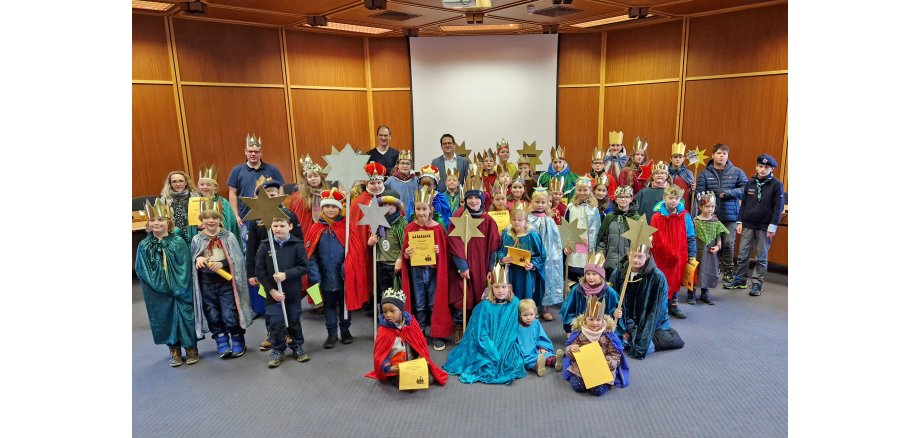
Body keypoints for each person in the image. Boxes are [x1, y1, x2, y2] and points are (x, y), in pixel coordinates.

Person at [135, 199, 200, 367]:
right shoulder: (144, 245)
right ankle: (174, 349)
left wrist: (177, 287)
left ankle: (190, 347)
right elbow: (142, 270)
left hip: (180, 289)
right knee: (164, 318)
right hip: (157, 293)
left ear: (169, 223)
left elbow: (185, 266)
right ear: (148, 224)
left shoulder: (178, 242)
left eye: (161, 220)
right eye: (153, 221)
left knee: (185, 316)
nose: (156, 223)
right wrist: (161, 287)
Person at [442, 263, 526, 385]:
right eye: (497, 287)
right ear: (491, 288)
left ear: (509, 287)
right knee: (488, 363)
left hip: (506, 344)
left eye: (503, 287)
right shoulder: (484, 306)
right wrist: (492, 350)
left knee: (515, 363)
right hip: (487, 346)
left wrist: (503, 349)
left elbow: (511, 330)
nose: (500, 290)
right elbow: (480, 334)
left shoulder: (514, 303)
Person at [189, 202, 252, 358]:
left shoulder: (228, 236)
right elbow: (193, 258)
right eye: (207, 218)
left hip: (225, 283)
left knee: (229, 313)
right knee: (212, 313)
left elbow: (237, 259)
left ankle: (237, 337)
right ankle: (221, 339)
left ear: (220, 219)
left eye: (214, 218)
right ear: (201, 221)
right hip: (206, 283)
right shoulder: (197, 239)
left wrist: (223, 263)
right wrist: (198, 259)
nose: (210, 221)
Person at [245, 178, 302, 351]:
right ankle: (273, 333)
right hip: (266, 267)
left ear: (279, 195)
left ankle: (291, 334)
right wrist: (251, 273)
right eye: (266, 194)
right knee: (271, 302)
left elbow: (298, 239)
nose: (270, 196)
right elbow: (251, 246)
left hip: (287, 264)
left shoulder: (289, 215)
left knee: (291, 304)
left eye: (274, 193)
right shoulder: (256, 219)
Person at [306, 189, 365, 349]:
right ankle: (331, 333)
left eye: (334, 207)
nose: (331, 210)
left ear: (339, 208)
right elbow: (311, 255)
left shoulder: (346, 226)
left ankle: (345, 330)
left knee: (345, 304)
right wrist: (315, 276)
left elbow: (355, 250)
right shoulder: (316, 228)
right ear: (322, 208)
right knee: (329, 306)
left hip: (343, 276)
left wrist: (348, 267)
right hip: (325, 277)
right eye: (328, 206)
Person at [446, 174, 501, 341]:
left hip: (481, 264)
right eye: (469, 198)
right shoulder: (459, 215)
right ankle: (459, 327)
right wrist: (462, 266)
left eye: (476, 198)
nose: (473, 201)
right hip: (463, 264)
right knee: (463, 296)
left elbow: (493, 246)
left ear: (481, 200)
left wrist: (491, 268)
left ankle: (476, 328)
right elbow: (453, 242)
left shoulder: (488, 219)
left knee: (479, 296)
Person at [400, 186, 454, 350]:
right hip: (416, 271)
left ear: (431, 209)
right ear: (414, 209)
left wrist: (438, 252)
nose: (421, 212)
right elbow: (405, 253)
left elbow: (445, 254)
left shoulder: (438, 228)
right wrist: (407, 254)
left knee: (434, 301)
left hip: (433, 272)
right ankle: (421, 329)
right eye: (418, 209)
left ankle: (436, 334)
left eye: (424, 209)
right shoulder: (410, 227)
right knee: (419, 302)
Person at [724, 154, 785, 297]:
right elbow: (743, 204)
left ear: (772, 169)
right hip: (748, 224)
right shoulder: (750, 183)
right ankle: (740, 279)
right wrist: (739, 221)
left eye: (766, 167)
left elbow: (778, 207)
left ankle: (757, 282)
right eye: (760, 166)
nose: (763, 169)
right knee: (743, 254)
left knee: (761, 256)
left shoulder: (776, 185)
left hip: (765, 226)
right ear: (756, 167)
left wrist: (773, 226)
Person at [255, 216, 310, 368]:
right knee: (275, 322)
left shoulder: (297, 245)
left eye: (281, 225)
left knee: (293, 320)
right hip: (273, 295)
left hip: (292, 292)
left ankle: (297, 345)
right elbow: (260, 271)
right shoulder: (265, 246)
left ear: (290, 226)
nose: (278, 229)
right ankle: (278, 349)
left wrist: (287, 274)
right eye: (274, 226)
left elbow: (305, 267)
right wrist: (271, 290)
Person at [365, 288, 448, 386]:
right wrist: (389, 368)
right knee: (407, 382)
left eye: (392, 311)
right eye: (385, 311)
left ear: (401, 310)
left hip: (412, 363)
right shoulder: (384, 330)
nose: (388, 315)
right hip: (396, 367)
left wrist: (420, 358)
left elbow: (420, 345)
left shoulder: (411, 324)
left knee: (429, 379)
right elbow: (380, 355)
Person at [694, 143, 748, 281]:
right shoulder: (705, 173)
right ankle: (712, 269)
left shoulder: (737, 172)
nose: (721, 155)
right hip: (710, 216)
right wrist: (707, 207)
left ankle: (728, 270)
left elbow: (745, 189)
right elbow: (699, 194)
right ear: (713, 155)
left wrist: (729, 193)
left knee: (729, 243)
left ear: (727, 156)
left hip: (730, 216)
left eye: (724, 153)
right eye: (719, 153)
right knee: (712, 244)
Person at [612, 246, 677, 360]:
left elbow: (656, 311)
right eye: (633, 256)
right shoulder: (618, 273)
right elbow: (612, 301)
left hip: (648, 322)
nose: (636, 260)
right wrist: (624, 327)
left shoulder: (657, 277)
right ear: (628, 254)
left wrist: (634, 332)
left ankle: (634, 338)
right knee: (614, 342)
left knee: (642, 346)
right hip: (624, 321)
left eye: (640, 257)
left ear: (647, 257)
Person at [562, 296, 630, 395]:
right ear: (585, 320)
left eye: (598, 320)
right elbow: (570, 353)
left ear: (603, 320)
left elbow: (615, 354)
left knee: (598, 391)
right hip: (582, 368)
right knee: (578, 386)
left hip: (602, 369)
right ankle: (586, 380)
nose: (595, 323)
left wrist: (606, 363)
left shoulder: (608, 335)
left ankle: (598, 383)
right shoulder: (579, 333)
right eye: (591, 319)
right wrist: (571, 349)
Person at [288, 154, 330, 314]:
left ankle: (328, 299)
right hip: (307, 240)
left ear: (321, 177)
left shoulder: (327, 194)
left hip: (325, 238)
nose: (312, 179)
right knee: (312, 274)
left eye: (315, 176)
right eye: (309, 176)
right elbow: (294, 218)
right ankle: (318, 302)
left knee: (326, 270)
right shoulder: (299, 197)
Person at [649, 184, 696, 320]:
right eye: (670, 197)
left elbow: (691, 236)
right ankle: (661, 306)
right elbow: (651, 237)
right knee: (661, 280)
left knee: (675, 279)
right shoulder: (656, 217)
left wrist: (692, 255)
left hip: (678, 255)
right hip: (660, 256)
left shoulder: (685, 216)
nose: (673, 201)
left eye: (677, 198)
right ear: (664, 197)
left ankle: (673, 304)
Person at [227, 133, 285, 241]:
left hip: (270, 217)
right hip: (246, 220)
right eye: (250, 151)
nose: (253, 154)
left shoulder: (272, 170)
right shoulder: (237, 171)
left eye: (256, 151)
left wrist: (279, 211)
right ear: (245, 151)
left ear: (261, 152)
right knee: (249, 249)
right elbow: (232, 193)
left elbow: (280, 190)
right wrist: (235, 215)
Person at [496, 203, 546, 315]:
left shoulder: (532, 235)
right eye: (514, 219)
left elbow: (540, 255)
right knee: (511, 293)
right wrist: (503, 258)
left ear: (526, 221)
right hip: (510, 271)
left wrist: (533, 265)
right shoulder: (506, 234)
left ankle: (526, 316)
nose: (516, 222)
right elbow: (501, 251)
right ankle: (512, 316)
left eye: (520, 220)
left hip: (526, 273)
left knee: (525, 294)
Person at [349, 162, 385, 314]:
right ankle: (371, 300)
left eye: (379, 182)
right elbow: (355, 228)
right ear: (366, 183)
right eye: (373, 183)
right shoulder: (358, 202)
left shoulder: (388, 198)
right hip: (366, 245)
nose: (376, 186)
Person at [560, 251, 623, 334]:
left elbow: (613, 309)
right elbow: (568, 309)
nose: (590, 277)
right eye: (588, 274)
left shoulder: (608, 292)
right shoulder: (578, 289)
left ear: (601, 276)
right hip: (581, 329)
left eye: (594, 274)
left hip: (600, 330)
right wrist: (570, 328)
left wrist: (615, 312)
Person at [368, 189, 406, 314]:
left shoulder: (400, 224)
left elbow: (405, 245)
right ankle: (385, 320)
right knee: (384, 294)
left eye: (390, 205)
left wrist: (400, 259)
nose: (387, 207)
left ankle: (398, 320)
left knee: (396, 295)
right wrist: (371, 242)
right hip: (381, 264)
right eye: (384, 205)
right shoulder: (377, 223)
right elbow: (375, 241)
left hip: (395, 266)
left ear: (396, 206)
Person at [527, 187, 565, 314]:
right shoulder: (527, 219)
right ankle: (530, 308)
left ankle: (544, 306)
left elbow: (555, 241)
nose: (540, 205)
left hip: (546, 255)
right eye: (537, 202)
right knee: (531, 280)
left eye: (543, 202)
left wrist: (552, 255)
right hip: (531, 255)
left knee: (545, 279)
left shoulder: (549, 220)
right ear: (532, 201)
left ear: (548, 203)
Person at [688, 191, 728, 305]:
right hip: (697, 251)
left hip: (710, 252)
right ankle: (691, 293)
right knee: (695, 270)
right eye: (707, 206)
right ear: (700, 207)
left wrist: (718, 246)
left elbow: (718, 236)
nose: (710, 209)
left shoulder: (715, 222)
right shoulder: (695, 221)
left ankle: (705, 292)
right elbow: (690, 236)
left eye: (712, 206)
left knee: (708, 269)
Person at [563, 176, 600, 282]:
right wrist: (566, 244)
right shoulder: (571, 207)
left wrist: (593, 249)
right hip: (573, 247)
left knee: (585, 274)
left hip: (587, 247)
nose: (582, 192)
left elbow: (597, 230)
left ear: (590, 190)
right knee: (573, 274)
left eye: (585, 190)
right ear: (576, 190)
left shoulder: (594, 209)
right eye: (579, 190)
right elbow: (566, 228)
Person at [195, 165, 241, 248]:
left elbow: (231, 223)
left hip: (221, 242)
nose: (204, 187)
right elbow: (191, 227)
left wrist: (217, 224)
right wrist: (197, 226)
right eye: (202, 184)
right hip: (202, 242)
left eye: (208, 185)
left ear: (215, 186)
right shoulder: (195, 202)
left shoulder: (223, 202)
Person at [597, 186, 641, 273]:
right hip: (610, 263)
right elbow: (602, 241)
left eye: (626, 196)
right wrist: (600, 259)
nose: (623, 199)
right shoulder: (610, 217)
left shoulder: (637, 219)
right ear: (616, 199)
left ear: (631, 198)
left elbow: (640, 244)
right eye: (620, 197)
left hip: (628, 264)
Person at [516, 299, 560, 376]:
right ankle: (537, 367)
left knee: (545, 353)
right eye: (525, 315)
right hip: (525, 351)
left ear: (535, 313)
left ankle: (555, 361)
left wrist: (543, 347)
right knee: (528, 359)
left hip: (537, 348)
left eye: (531, 314)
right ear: (520, 315)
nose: (528, 318)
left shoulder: (536, 323)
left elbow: (541, 336)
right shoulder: (517, 326)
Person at [405, 165, 452, 230]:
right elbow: (410, 217)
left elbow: (447, 217)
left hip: (437, 229)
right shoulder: (415, 199)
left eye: (429, 185)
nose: (426, 187)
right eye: (423, 184)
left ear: (435, 185)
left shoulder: (440, 198)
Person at [160, 170, 200, 242]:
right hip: (174, 236)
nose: (178, 184)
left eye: (181, 181)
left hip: (194, 233)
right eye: (174, 182)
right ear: (170, 184)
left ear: (186, 183)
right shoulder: (164, 199)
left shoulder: (196, 197)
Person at [668, 142, 695, 211]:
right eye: (675, 157)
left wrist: (693, 189)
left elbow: (692, 193)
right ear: (671, 158)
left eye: (680, 157)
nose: (678, 159)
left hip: (685, 203)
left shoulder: (688, 174)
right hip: (669, 204)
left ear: (683, 159)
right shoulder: (666, 173)